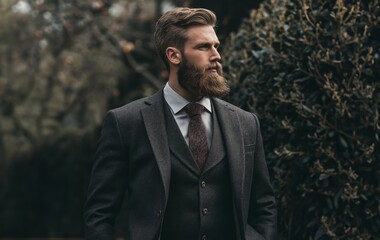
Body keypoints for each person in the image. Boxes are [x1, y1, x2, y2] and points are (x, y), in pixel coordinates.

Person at [84, 7, 277, 240]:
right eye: (204, 47)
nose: (216, 56)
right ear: (174, 55)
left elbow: (264, 205)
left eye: (216, 46)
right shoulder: (126, 122)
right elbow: (100, 214)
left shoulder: (246, 123)